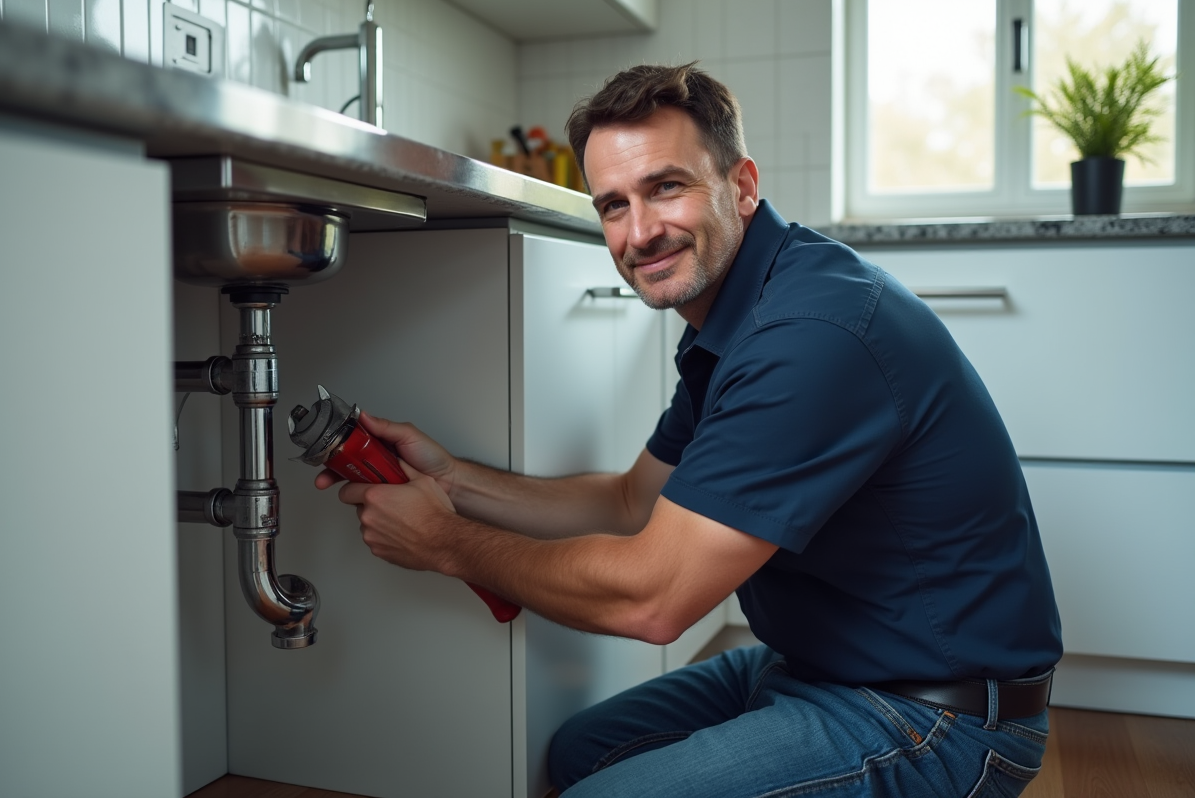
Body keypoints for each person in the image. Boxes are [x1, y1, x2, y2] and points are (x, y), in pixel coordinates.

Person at [317, 63, 1063, 797]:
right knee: (581, 754)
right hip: (819, 664)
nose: (640, 232)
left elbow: (653, 599)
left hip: (935, 714)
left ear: (741, 185)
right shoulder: (735, 320)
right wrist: (453, 480)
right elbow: (630, 502)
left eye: (666, 187)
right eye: (613, 205)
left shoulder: (807, 336)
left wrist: (448, 544)